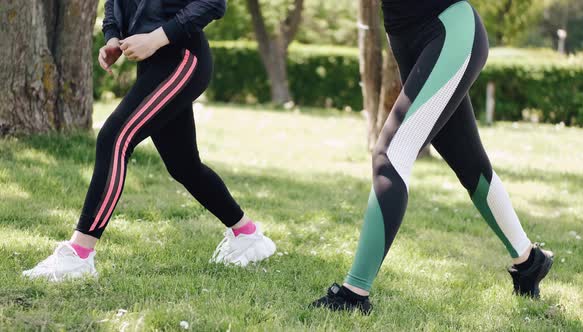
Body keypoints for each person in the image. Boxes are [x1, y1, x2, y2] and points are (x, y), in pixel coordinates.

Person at [312, 0, 553, 314]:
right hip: (411, 43)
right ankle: (529, 261)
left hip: (450, 30)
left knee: (390, 155)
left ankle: (353, 295)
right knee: (471, 166)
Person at [23, 0, 275, 281]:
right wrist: (113, 37)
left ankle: (79, 256)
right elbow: (114, 4)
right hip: (152, 64)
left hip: (182, 57)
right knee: (183, 165)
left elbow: (213, 3)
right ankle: (247, 235)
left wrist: (155, 39)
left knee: (114, 138)